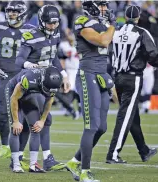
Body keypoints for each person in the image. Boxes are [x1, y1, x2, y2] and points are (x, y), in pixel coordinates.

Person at [13, 4, 70, 172]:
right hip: (29, 82)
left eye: (55, 23)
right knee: (37, 121)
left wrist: (64, 75)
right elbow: (19, 61)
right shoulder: (31, 36)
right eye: (49, 23)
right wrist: (32, 66)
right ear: (41, 21)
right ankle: (43, 158)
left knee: (38, 121)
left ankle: (31, 157)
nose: (52, 26)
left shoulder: (55, 35)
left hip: (44, 82)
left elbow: (54, 58)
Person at [64, 0, 116, 181]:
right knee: (91, 126)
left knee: (101, 127)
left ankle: (74, 161)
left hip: (102, 74)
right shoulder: (82, 21)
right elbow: (103, 41)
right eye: (101, 5)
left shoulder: (102, 23)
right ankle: (84, 171)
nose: (105, 9)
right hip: (88, 75)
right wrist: (113, 26)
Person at [106, 5, 158, 164]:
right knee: (125, 116)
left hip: (118, 76)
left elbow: (110, 52)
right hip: (132, 77)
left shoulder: (116, 32)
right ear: (138, 16)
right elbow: (153, 54)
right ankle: (113, 154)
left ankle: (144, 150)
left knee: (132, 116)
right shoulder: (141, 32)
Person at [0, 0, 35, 159]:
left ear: (22, 13)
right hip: (4, 75)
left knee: (25, 114)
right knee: (2, 113)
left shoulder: (31, 30)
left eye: (15, 11)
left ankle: (19, 150)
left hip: (23, 76)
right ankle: (4, 146)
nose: (11, 14)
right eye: (10, 11)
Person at [7, 66, 63, 173]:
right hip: (14, 92)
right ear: (42, 80)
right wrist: (16, 121)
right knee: (15, 129)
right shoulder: (29, 79)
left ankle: (33, 165)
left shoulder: (53, 83)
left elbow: (49, 102)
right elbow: (14, 98)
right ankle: (15, 164)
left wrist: (42, 121)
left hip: (30, 94)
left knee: (35, 127)